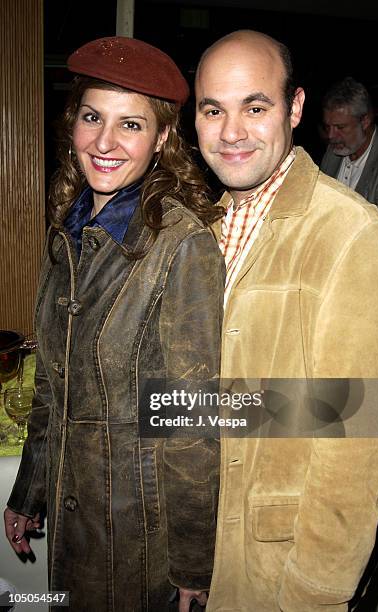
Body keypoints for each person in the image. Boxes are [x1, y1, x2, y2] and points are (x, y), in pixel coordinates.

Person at [4, 36, 224, 612]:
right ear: (72, 122)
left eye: (131, 125)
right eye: (92, 117)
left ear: (163, 138)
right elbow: (52, 387)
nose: (104, 142)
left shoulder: (180, 244)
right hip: (72, 515)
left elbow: (192, 421)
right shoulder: (68, 232)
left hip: (138, 538)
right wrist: (28, 493)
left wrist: (193, 568)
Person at [194, 29, 378, 611]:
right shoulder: (201, 227)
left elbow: (359, 439)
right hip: (205, 552)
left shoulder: (356, 236)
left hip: (280, 569)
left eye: (255, 107)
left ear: (295, 108)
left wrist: (316, 593)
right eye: (213, 110)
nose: (232, 131)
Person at [320, 76, 378, 218]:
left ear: (365, 121)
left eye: (340, 127)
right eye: (328, 127)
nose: (331, 135)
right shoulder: (335, 148)